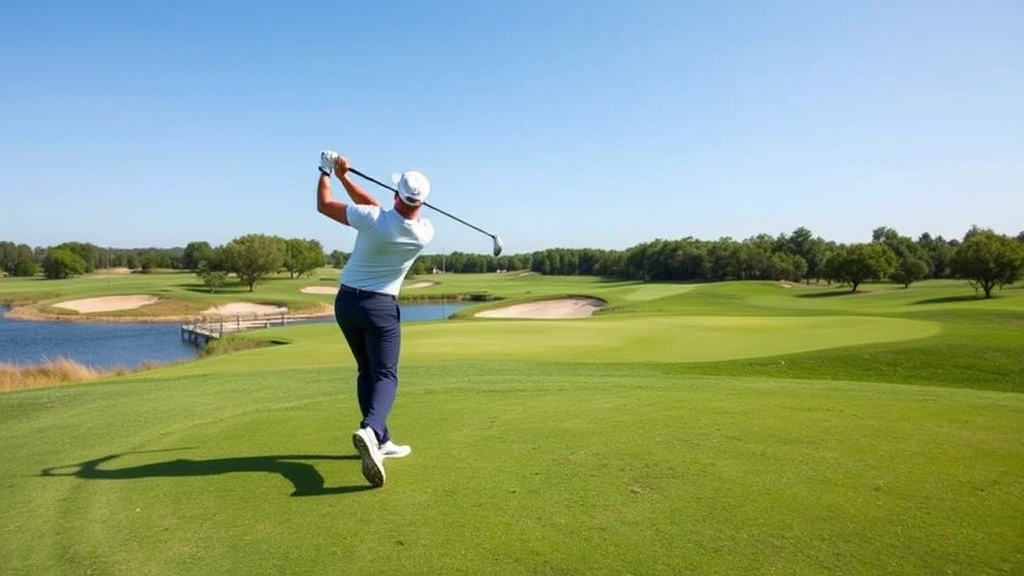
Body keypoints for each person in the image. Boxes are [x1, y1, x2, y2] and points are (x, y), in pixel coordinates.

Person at [315, 150, 435, 488]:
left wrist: (326, 172)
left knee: (367, 371)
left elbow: (326, 206)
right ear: (421, 203)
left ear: (396, 194)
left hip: (346, 304)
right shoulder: (424, 232)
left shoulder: (372, 218)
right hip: (380, 308)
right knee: (386, 375)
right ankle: (370, 430)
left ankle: (380, 440)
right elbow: (379, 211)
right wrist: (345, 178)